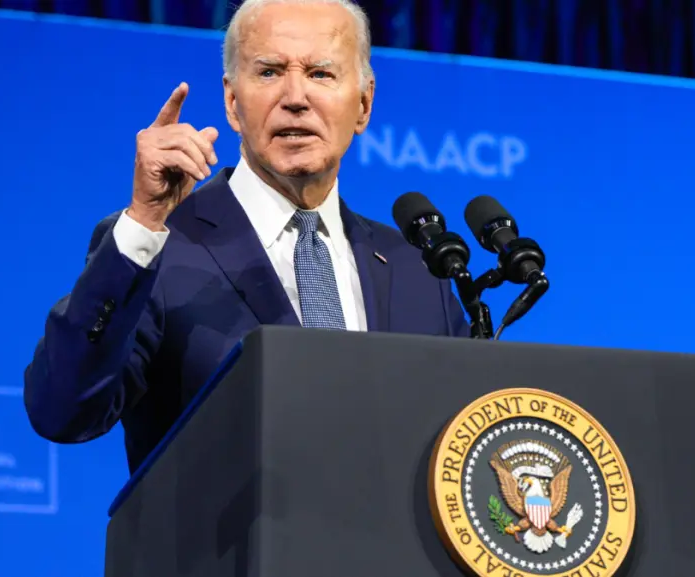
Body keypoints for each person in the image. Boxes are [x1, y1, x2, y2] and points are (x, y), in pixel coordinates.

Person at [23, 0, 468, 473]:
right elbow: (63, 412)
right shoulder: (159, 246)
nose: (295, 96)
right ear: (233, 103)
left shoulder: (417, 269)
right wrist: (144, 220)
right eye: (270, 72)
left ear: (363, 104)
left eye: (320, 74)